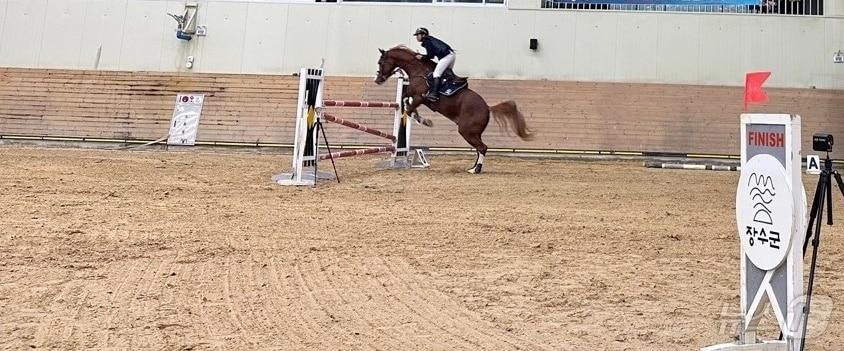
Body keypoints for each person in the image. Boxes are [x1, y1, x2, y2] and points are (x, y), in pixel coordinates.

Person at [413, 27, 455, 102]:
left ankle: (434, 94)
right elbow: (431, 55)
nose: (416, 37)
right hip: (451, 55)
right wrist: (422, 56)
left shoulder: (426, 41)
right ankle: (448, 91)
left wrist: (422, 57)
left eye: (417, 35)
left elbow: (430, 56)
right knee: (447, 74)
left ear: (423, 35)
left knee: (436, 74)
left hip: (446, 56)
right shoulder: (429, 40)